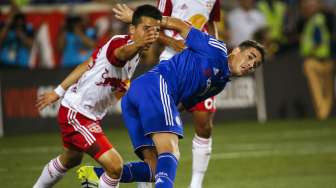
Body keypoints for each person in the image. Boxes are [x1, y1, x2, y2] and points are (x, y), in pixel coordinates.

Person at [77, 3, 265, 188]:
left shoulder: (220, 83)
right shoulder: (217, 49)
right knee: (171, 153)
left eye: (255, 64)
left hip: (137, 96)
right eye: (250, 57)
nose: (250, 64)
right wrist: (141, 19)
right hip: (156, 86)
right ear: (237, 50)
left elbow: (181, 104)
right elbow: (182, 26)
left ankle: (95, 175)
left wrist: (159, 120)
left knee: (155, 169)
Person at [32, 5, 162, 188]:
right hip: (77, 114)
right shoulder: (120, 45)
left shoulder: (137, 54)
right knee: (115, 166)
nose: (152, 34)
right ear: (132, 29)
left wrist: (57, 92)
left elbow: (87, 64)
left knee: (71, 159)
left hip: (84, 113)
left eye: (156, 30)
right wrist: (139, 44)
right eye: (146, 29)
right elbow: (120, 54)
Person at [156, 1, 221, 187]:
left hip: (202, 64)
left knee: (204, 125)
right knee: (160, 125)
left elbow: (212, 23)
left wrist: (215, 51)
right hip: (172, 61)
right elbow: (153, 26)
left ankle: (196, 184)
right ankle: (147, 180)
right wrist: (172, 42)